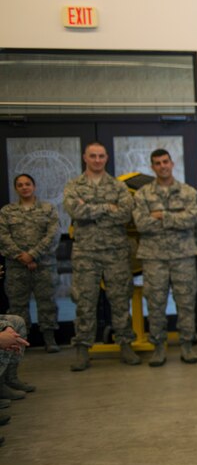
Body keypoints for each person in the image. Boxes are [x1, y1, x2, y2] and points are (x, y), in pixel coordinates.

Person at [63, 142, 140, 371]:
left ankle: (125, 344)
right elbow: (74, 211)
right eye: (93, 156)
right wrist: (108, 207)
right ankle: (83, 349)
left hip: (115, 252)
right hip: (85, 253)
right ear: (85, 158)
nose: (97, 160)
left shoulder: (118, 186)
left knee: (120, 299)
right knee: (85, 302)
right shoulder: (73, 185)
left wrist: (90, 208)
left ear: (106, 158)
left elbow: (126, 214)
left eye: (101, 156)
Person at [133, 150, 197, 367]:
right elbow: (141, 224)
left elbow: (192, 219)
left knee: (186, 302)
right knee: (155, 303)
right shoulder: (142, 194)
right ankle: (159, 347)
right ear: (152, 167)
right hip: (154, 258)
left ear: (172, 164)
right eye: (157, 163)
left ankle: (187, 346)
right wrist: (176, 218)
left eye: (165, 162)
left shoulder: (188, 192)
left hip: (183, 256)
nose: (162, 166)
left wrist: (162, 215)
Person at [0, 174, 61, 353]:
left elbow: (53, 235)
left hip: (44, 265)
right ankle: (20, 340)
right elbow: (2, 237)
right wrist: (21, 256)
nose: (24, 187)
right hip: (16, 267)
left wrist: (33, 255)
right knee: (17, 305)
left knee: (47, 302)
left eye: (27, 184)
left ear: (34, 186)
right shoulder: (7, 212)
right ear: (16, 188)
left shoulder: (47, 209)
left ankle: (49, 339)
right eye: (20, 185)